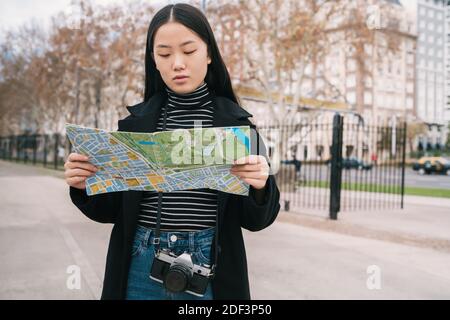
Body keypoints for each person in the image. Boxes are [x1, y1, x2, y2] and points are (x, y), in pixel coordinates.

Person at [64, 3, 280, 300]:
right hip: (141, 262)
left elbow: (257, 220)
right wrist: (83, 185)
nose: (177, 63)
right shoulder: (133, 128)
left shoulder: (240, 129)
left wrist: (260, 186)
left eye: (189, 51)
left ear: (209, 54)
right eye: (164, 54)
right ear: (154, 60)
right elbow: (111, 210)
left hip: (210, 265)